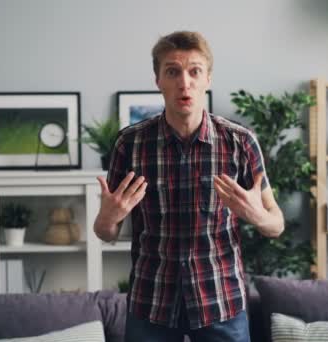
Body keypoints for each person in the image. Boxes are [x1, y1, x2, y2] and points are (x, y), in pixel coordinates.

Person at [93, 31, 284, 342]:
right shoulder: (131, 144)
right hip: (150, 302)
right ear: (158, 80)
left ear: (207, 78)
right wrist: (106, 220)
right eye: (172, 71)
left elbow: (276, 225)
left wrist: (256, 215)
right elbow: (106, 231)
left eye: (195, 71)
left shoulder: (240, 142)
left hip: (220, 301)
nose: (185, 82)